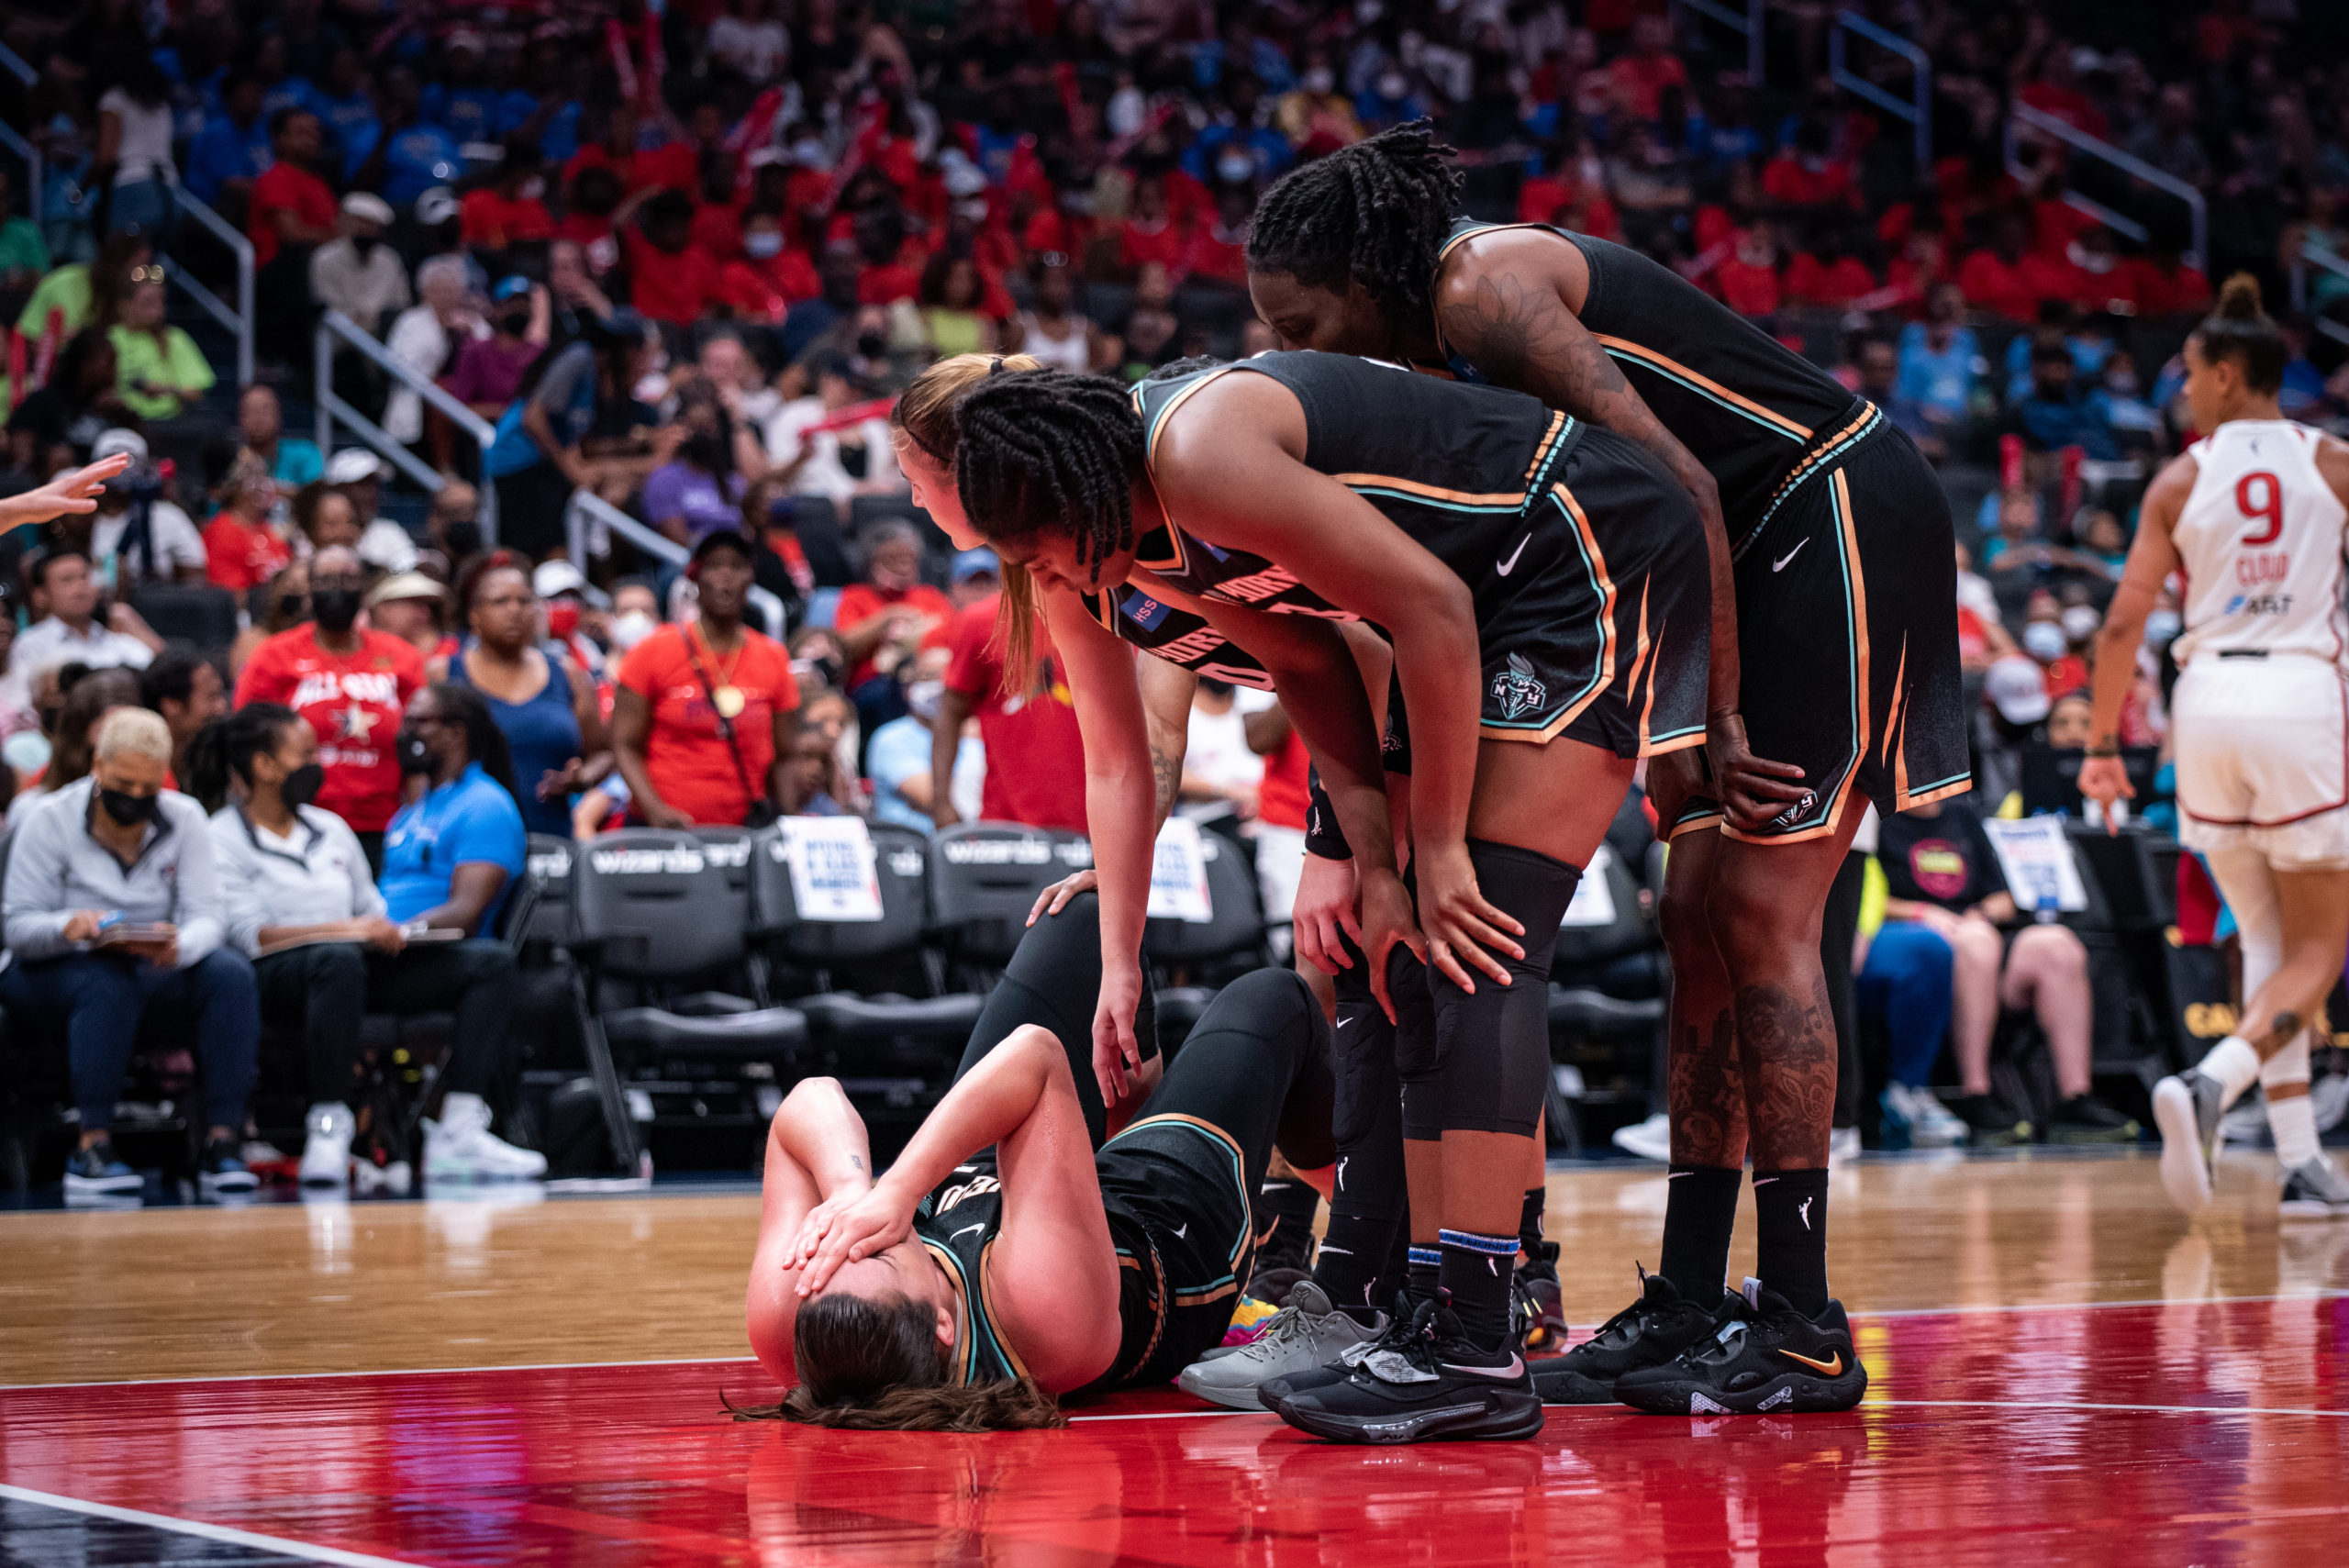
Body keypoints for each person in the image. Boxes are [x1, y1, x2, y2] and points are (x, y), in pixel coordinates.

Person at [1246, 123, 1967, 1413]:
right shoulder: (1431, 355)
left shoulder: (1484, 290)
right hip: (1724, 562)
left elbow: (1684, 475)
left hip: (1824, 512)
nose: (1300, 357)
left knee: (1755, 911)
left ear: (1366, 274)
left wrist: (1717, 716)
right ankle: (1692, 1294)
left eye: (1307, 323)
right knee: (1691, 916)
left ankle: (1800, 1320)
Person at [896, 348, 1713, 1440]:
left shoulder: (1194, 462)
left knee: (1461, 937)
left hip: (1565, 553)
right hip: (1450, 625)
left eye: (915, 474)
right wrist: (1128, 957)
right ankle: (1426, 1303)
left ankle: (1465, 1312)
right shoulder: (1092, 539)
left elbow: (1397, 627)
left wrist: (1397, 850)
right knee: (1398, 956)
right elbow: (1203, 712)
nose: (913, 500)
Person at [743, 945, 1335, 1428]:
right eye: (877, 1249)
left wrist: (850, 1189)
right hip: (1161, 1227)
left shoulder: (796, 1322)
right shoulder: (1040, 1317)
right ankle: (1360, 1258)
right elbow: (1035, 1057)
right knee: (1274, 998)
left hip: (1010, 1196)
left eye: (836, 1248)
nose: (854, 1235)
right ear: (942, 1326)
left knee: (1083, 921)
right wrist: (896, 1191)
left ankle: (1133, 1091)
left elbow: (808, 1099)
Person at [2083, 277, 2349, 1220]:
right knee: (2323, 943)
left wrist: (2102, 745)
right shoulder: (2332, 462)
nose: (2183, 392)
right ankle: (2213, 1082)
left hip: (2205, 703)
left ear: (2231, 377)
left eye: (2191, 375)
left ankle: (2301, 1163)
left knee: (2269, 943)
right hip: (2297, 694)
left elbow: (2120, 627)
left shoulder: (2179, 478)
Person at [193, 703, 544, 1187]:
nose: (319, 764)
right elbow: (252, 936)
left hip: (352, 967)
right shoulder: (220, 837)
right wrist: (350, 931)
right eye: (306, 753)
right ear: (264, 766)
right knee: (336, 961)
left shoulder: (331, 829)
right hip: (272, 978)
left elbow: (371, 910)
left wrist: (386, 933)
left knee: (490, 963)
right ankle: (329, 1126)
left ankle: (460, 1127)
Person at [0, 708, 260, 1200]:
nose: (136, 797)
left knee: (229, 974)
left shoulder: (184, 817)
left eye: (148, 787)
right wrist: (68, 925)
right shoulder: (47, 818)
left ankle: (223, 1142)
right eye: (124, 783)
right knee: (104, 981)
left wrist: (180, 945)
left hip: (148, 961)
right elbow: (16, 927)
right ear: (97, 765)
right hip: (50, 969)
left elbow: (209, 914)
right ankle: (91, 1147)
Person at [1872, 792, 2131, 1141]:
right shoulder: (1878, 817)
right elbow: (1867, 896)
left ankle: (2074, 1098)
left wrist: (1983, 914)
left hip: (1980, 933)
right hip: (1921, 943)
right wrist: (1925, 914)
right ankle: (1976, 1093)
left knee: (2059, 946)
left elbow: (2003, 898)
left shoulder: (1962, 816)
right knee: (1977, 945)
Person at [232, 545, 427, 864]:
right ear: (308, 590)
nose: (337, 589)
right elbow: (243, 740)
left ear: (364, 589)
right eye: (326, 580)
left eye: (348, 579)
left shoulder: (402, 657)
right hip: (298, 821)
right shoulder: (273, 656)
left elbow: (422, 744)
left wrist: (417, 823)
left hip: (385, 824)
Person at [612, 528, 799, 828]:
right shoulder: (651, 651)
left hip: (744, 829)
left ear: (750, 578)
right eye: (715, 566)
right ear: (694, 577)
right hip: (666, 830)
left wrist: (787, 821)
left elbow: (787, 754)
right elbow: (624, 744)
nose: (726, 577)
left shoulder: (773, 656)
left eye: (737, 567)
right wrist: (655, 809)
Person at [434, 560, 608, 839]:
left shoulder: (569, 674)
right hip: (464, 837)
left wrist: (582, 778)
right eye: (500, 601)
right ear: (474, 616)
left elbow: (602, 753)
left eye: (525, 601)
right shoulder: (442, 673)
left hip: (552, 836)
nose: (514, 610)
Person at [481, 308, 673, 559]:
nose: (639, 359)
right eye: (638, 350)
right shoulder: (579, 357)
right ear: (624, 348)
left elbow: (574, 438)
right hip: (519, 460)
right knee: (549, 548)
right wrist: (573, 471)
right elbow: (534, 417)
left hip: (541, 463)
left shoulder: (593, 374)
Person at [13, 547, 158, 695]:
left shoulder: (117, 640)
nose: (80, 587)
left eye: (85, 577)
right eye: (67, 580)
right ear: (41, 595)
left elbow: (159, 676)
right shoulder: (30, 644)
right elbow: (20, 705)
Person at [866, 644, 980, 830]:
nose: (939, 685)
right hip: (908, 846)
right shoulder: (890, 738)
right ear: (908, 688)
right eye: (929, 676)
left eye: (945, 678)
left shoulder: (972, 734)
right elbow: (936, 798)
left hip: (966, 843)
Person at [833, 518, 953, 688]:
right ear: (872, 563)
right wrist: (887, 619)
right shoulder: (856, 595)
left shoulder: (930, 594)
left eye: (908, 558)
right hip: (877, 683)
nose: (903, 567)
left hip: (931, 676)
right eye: (892, 559)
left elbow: (954, 634)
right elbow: (844, 646)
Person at [84, 430, 207, 586]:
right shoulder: (81, 516)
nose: (120, 471)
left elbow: (196, 577)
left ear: (145, 466)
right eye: (110, 461)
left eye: (129, 462)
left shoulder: (169, 517)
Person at [108, 271, 214, 422]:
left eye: (161, 302)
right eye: (148, 302)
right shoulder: (109, 339)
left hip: (167, 424)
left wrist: (163, 389)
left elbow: (195, 393)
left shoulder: (174, 338)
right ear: (125, 304)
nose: (157, 310)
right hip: (117, 422)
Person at [139, 643, 227, 784]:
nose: (221, 707)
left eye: (220, 694)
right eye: (212, 697)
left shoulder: (213, 756)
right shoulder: (136, 769)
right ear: (171, 705)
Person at [236, 384, 325, 497]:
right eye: (250, 412)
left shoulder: (306, 453)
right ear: (240, 419)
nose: (258, 419)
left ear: (279, 415)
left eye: (265, 410)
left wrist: (269, 489)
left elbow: (318, 498)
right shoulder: (233, 463)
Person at [366, 573, 450, 662]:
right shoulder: (355, 648)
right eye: (416, 604)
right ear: (383, 608)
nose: (426, 612)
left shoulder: (447, 650)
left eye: (428, 605)